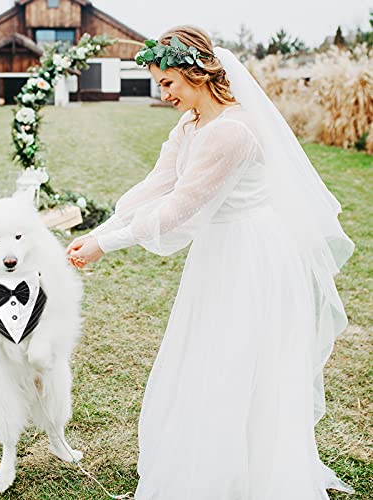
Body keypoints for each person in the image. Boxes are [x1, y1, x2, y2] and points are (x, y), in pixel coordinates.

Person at [66, 25, 355, 500]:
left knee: (235, 363)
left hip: (250, 256)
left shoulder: (232, 134)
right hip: (219, 252)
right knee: (205, 356)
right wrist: (98, 232)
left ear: (196, 73)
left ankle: (246, 475)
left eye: (168, 83)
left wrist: (107, 247)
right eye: (160, 84)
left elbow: (181, 208)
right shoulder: (192, 123)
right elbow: (155, 186)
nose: (163, 94)